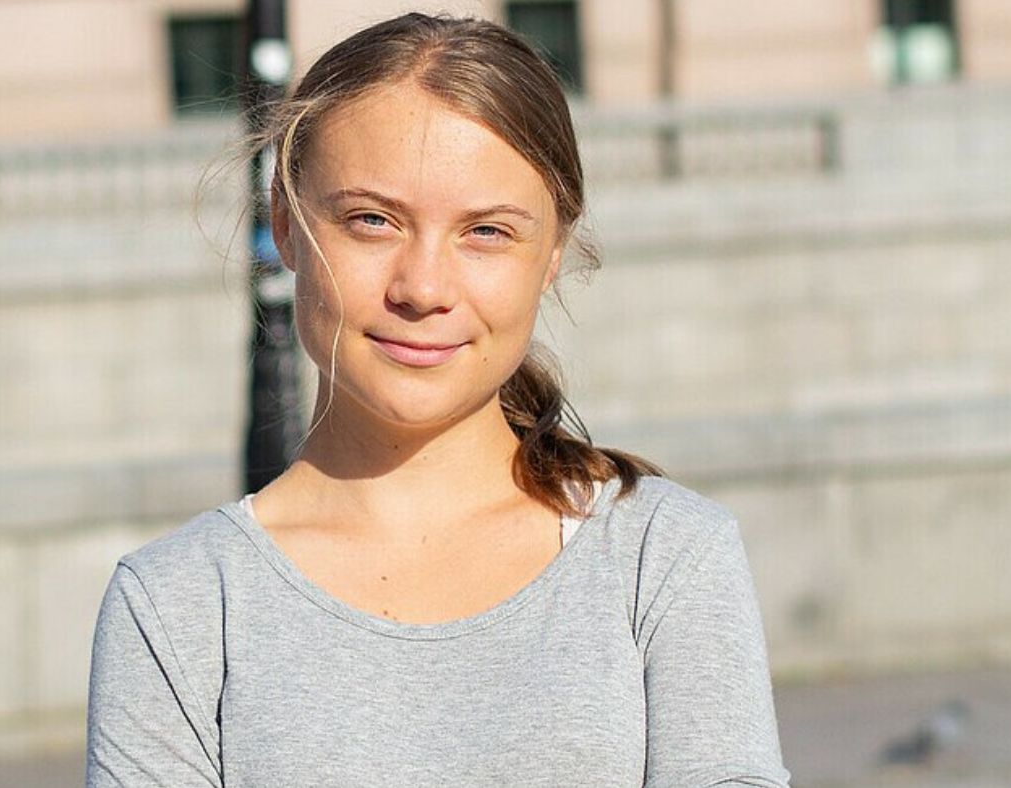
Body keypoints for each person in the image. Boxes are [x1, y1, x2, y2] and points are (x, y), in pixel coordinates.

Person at [86, 12, 791, 787]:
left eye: (485, 232)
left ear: (551, 252)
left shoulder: (664, 559)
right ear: (286, 229)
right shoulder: (178, 604)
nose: (422, 288)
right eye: (371, 221)